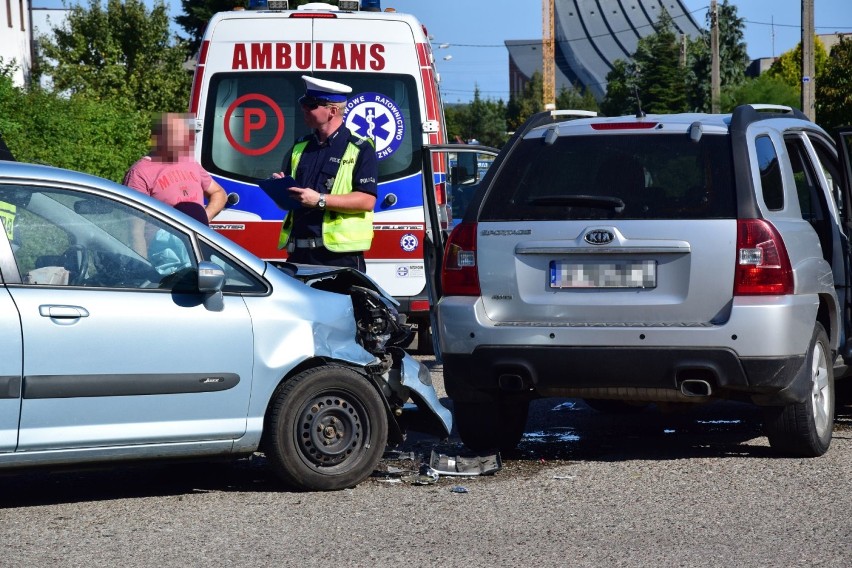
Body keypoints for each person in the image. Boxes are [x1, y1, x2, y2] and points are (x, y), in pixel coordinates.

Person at [273, 75, 378, 271]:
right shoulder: (300, 146)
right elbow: (295, 198)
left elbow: (367, 200)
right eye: (304, 103)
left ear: (332, 111)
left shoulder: (360, 148)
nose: (304, 108)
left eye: (311, 105)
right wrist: (282, 187)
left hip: (339, 259)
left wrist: (320, 200)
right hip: (298, 254)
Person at [124, 112, 227, 226]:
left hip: (194, 240)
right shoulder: (139, 172)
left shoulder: (189, 161)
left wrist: (201, 221)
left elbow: (218, 193)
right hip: (160, 242)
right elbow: (135, 225)